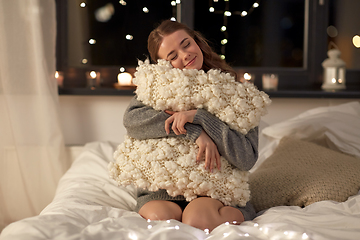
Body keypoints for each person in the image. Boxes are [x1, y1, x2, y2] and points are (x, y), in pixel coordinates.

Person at [123, 19, 258, 232]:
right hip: (164, 190)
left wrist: (201, 117)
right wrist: (194, 132)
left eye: (186, 44)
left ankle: (243, 211)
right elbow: (132, 121)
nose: (184, 55)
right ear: (162, 65)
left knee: (198, 221)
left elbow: (247, 158)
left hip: (213, 189)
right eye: (173, 56)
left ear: (197, 41)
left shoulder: (233, 92)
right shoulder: (157, 89)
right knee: (161, 219)